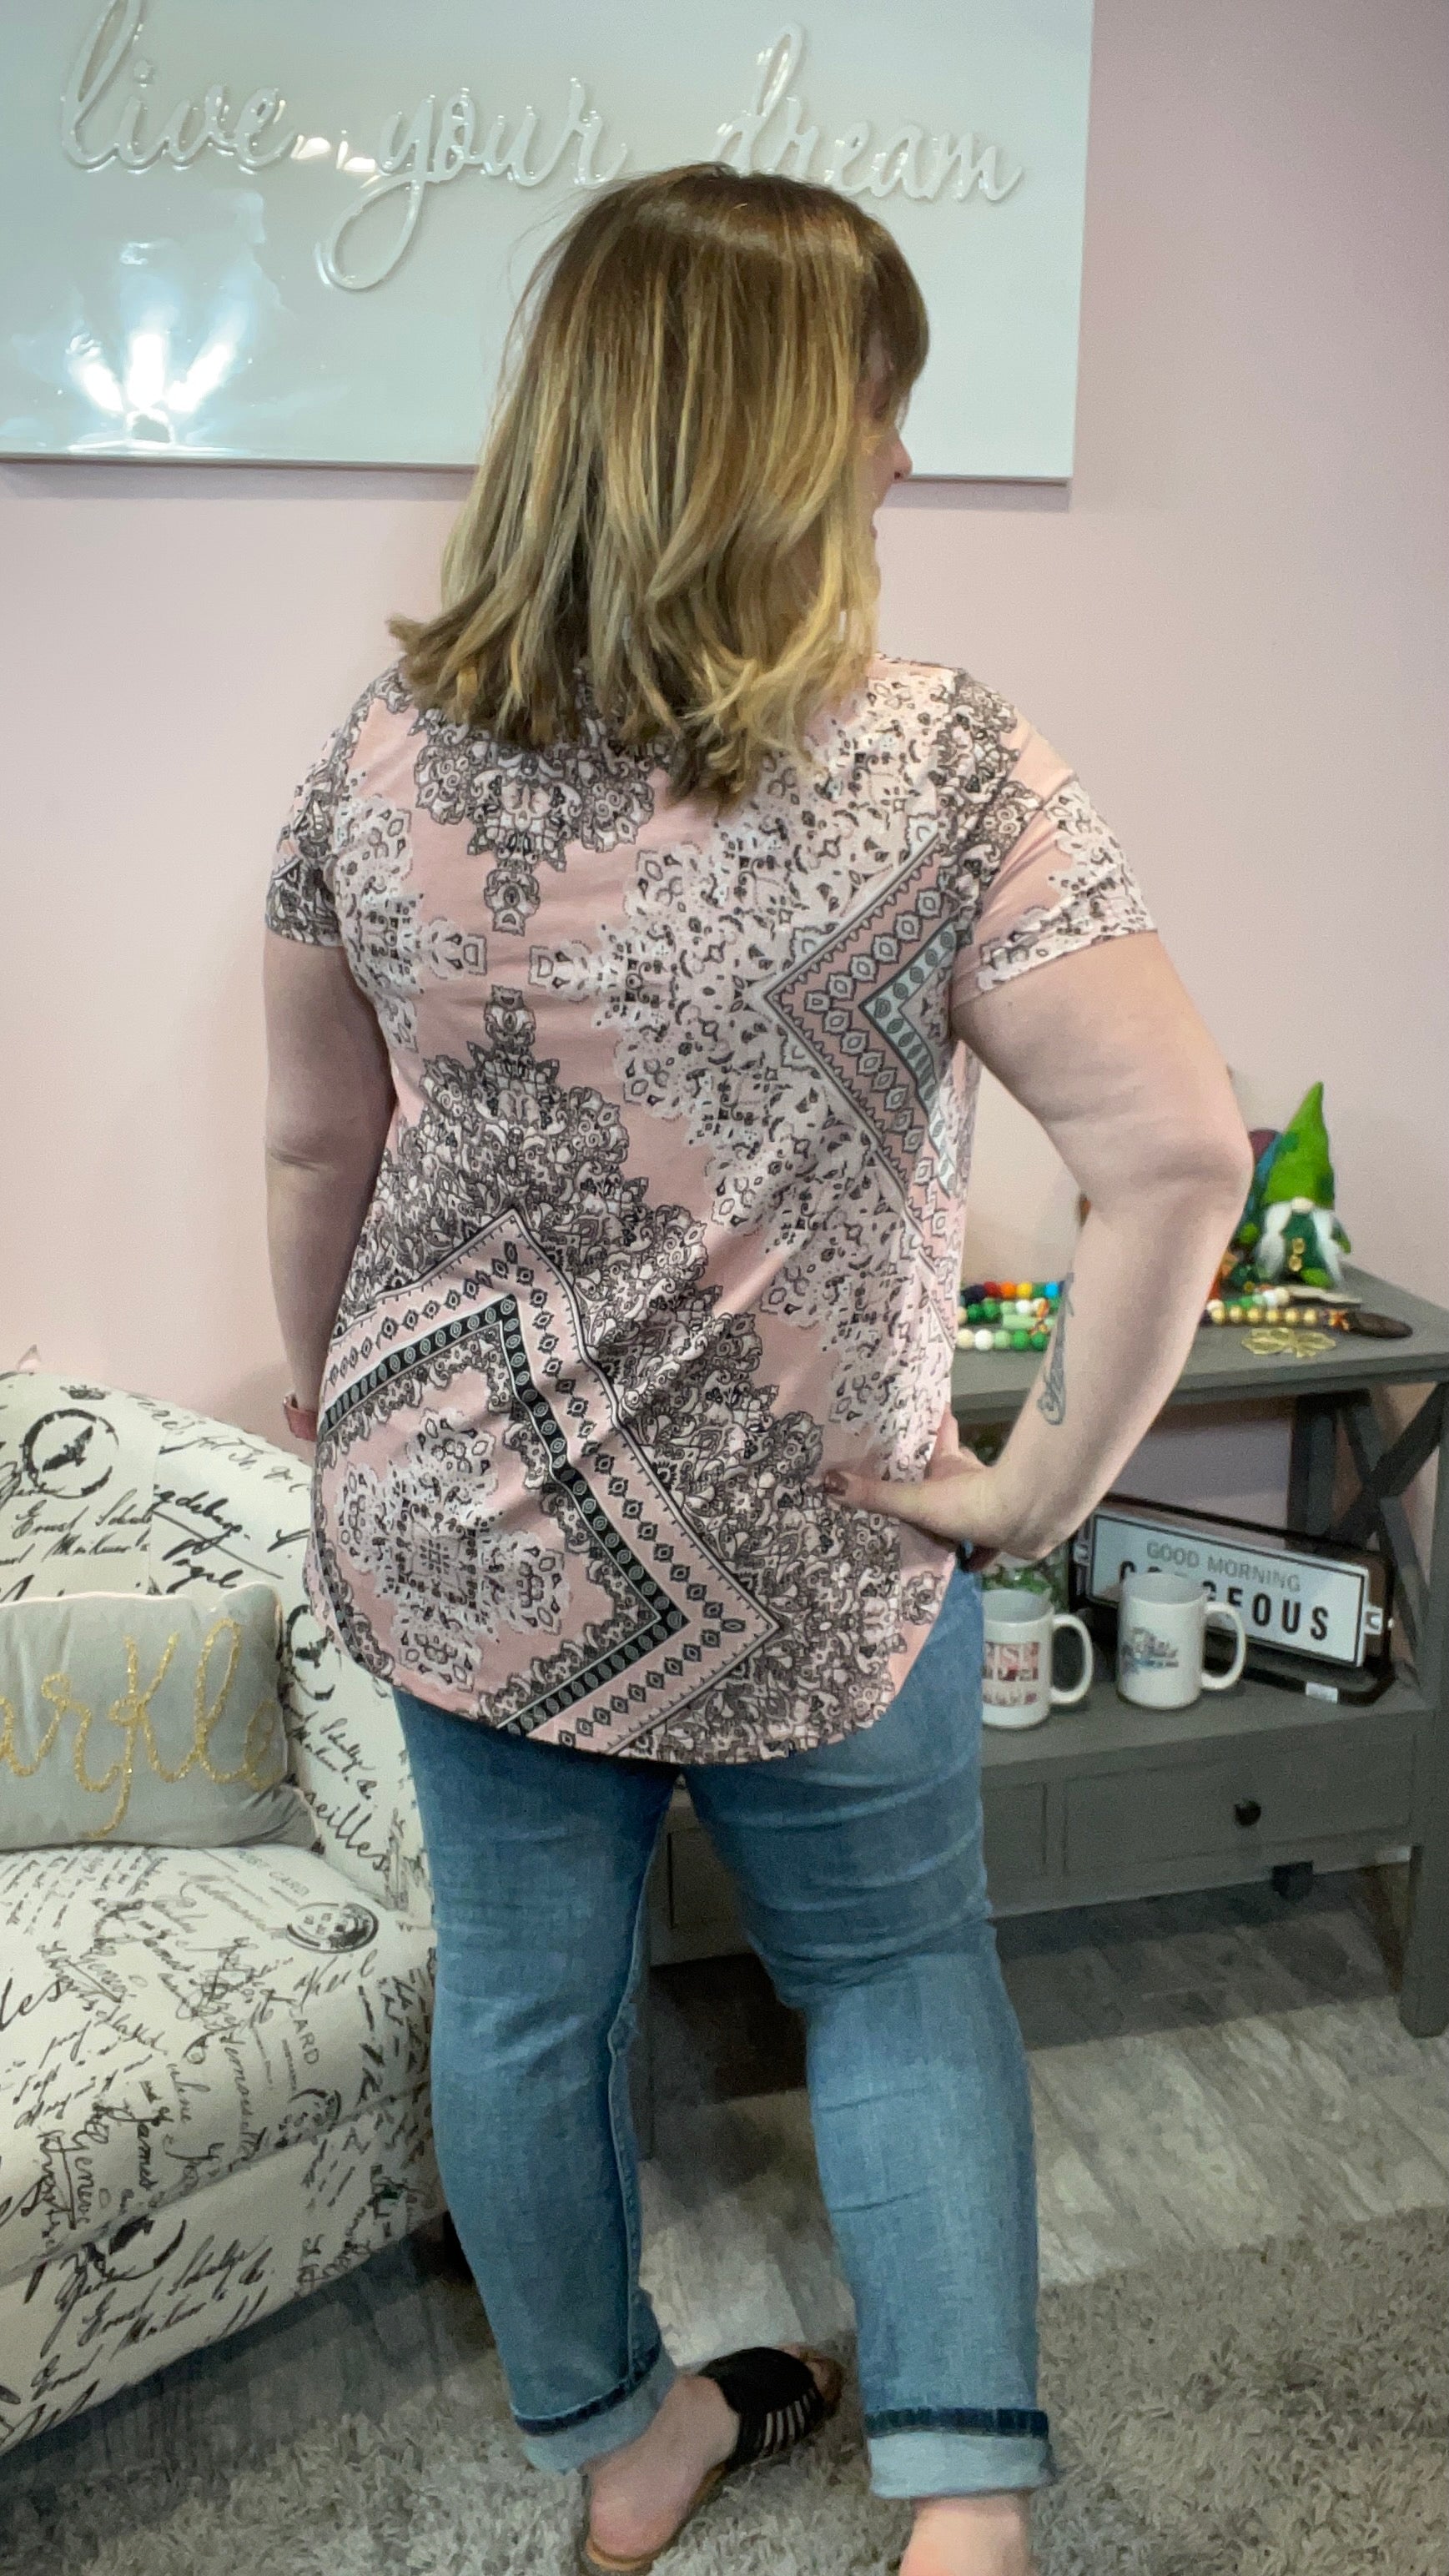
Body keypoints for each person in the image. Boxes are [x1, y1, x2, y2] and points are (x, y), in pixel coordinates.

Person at [263, 164, 1251, 2576]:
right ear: (783, 431)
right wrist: (1038, 1498)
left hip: (465, 1531)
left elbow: (315, 1145)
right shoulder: (945, 768)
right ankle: (964, 2517)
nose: (905, 452)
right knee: (897, 1976)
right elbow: (1178, 1156)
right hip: (816, 1543)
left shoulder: (377, 758)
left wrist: (330, 1401)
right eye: (883, 400)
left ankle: (624, 2454)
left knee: (524, 2005)